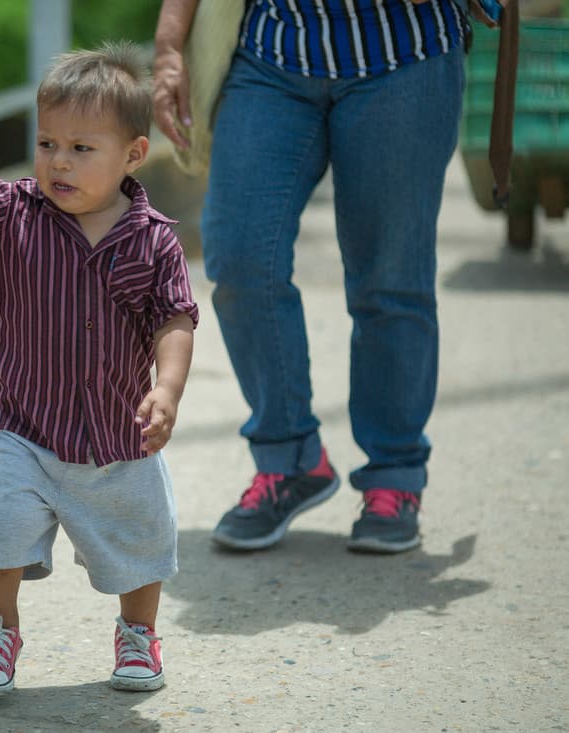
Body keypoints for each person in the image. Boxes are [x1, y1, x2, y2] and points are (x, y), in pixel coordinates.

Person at [0, 41, 198, 695]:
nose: (58, 161)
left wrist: (166, 389)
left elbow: (175, 319)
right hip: (21, 427)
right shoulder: (9, 214)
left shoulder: (153, 237)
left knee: (141, 537)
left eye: (82, 148)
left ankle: (138, 632)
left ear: (134, 153)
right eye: (48, 142)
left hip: (117, 436)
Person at [153, 0, 497, 554]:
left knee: (389, 279)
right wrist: (170, 46)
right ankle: (290, 459)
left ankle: (395, 473)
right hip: (275, 54)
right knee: (240, 257)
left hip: (403, 53)